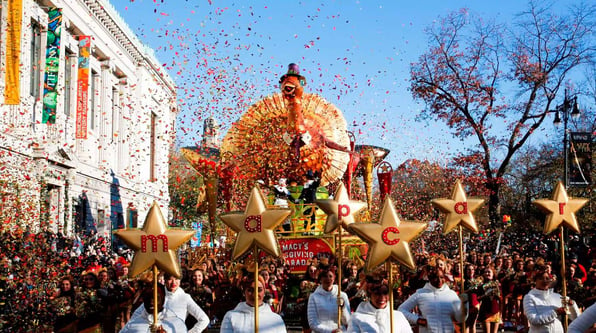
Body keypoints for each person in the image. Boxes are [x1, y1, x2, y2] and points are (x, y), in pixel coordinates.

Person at [398, 259, 467, 333]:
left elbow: (460, 318)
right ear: (429, 278)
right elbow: (401, 309)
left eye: (441, 277)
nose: (439, 281)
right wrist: (417, 320)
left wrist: (464, 304)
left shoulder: (451, 294)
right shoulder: (420, 293)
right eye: (435, 277)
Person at [130, 273, 209, 333]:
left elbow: (204, 319)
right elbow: (136, 316)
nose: (173, 282)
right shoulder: (157, 295)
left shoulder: (185, 297)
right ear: (165, 280)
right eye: (170, 279)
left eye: (176, 279)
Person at [347, 273, 412, 333]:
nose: (382, 297)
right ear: (370, 294)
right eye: (377, 293)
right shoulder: (357, 318)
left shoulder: (398, 316)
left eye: (385, 293)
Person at [220, 276, 287, 333]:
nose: (255, 294)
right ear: (244, 292)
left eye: (259, 290)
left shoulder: (276, 319)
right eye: (250, 290)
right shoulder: (231, 317)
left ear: (264, 292)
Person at [523, 267, 580, 333]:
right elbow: (534, 320)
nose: (544, 281)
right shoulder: (529, 297)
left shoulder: (557, 296)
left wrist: (572, 305)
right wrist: (556, 312)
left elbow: (575, 318)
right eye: (541, 278)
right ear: (535, 281)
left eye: (547, 278)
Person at [119, 283, 187, 333]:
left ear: (163, 299)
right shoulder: (133, 324)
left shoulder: (176, 323)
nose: (151, 302)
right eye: (147, 298)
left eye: (156, 298)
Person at [307, 267, 351, 333]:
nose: (328, 279)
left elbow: (347, 321)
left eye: (330, 276)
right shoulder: (313, 297)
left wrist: (343, 308)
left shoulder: (342, 296)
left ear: (334, 278)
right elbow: (313, 323)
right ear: (321, 279)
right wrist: (331, 331)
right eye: (325, 276)